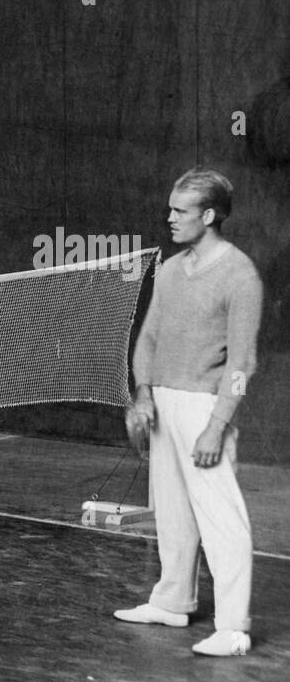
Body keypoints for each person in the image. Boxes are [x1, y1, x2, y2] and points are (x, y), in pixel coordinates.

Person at [116, 167, 263, 656]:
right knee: (173, 513)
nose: (170, 218)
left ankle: (233, 627)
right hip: (163, 403)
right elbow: (149, 336)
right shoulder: (172, 268)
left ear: (209, 215)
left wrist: (217, 426)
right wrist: (142, 394)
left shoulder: (240, 275)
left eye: (180, 211)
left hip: (206, 408)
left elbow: (241, 364)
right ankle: (172, 601)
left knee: (222, 519)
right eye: (170, 208)